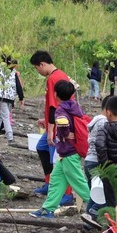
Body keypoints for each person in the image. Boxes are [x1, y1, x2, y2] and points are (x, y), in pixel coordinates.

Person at [29, 80, 91, 219]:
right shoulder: (74, 106)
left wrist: (63, 134)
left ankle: (97, 208)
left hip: (69, 152)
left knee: (78, 182)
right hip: (65, 153)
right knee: (56, 180)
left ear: (56, 94)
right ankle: (47, 209)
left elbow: (63, 125)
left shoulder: (61, 110)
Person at [29, 51, 75, 205]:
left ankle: (67, 194)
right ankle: (49, 183)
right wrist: (46, 119)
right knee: (41, 148)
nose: (38, 71)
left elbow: (54, 107)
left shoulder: (53, 79)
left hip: (59, 125)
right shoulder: (61, 74)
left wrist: (50, 131)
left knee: (61, 159)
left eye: (37, 68)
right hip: (58, 120)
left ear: (42, 64)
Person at [80, 96, 110, 230]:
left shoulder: (95, 121)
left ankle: (87, 223)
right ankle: (93, 213)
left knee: (95, 192)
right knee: (104, 194)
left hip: (88, 160)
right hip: (98, 161)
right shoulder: (104, 122)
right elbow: (102, 144)